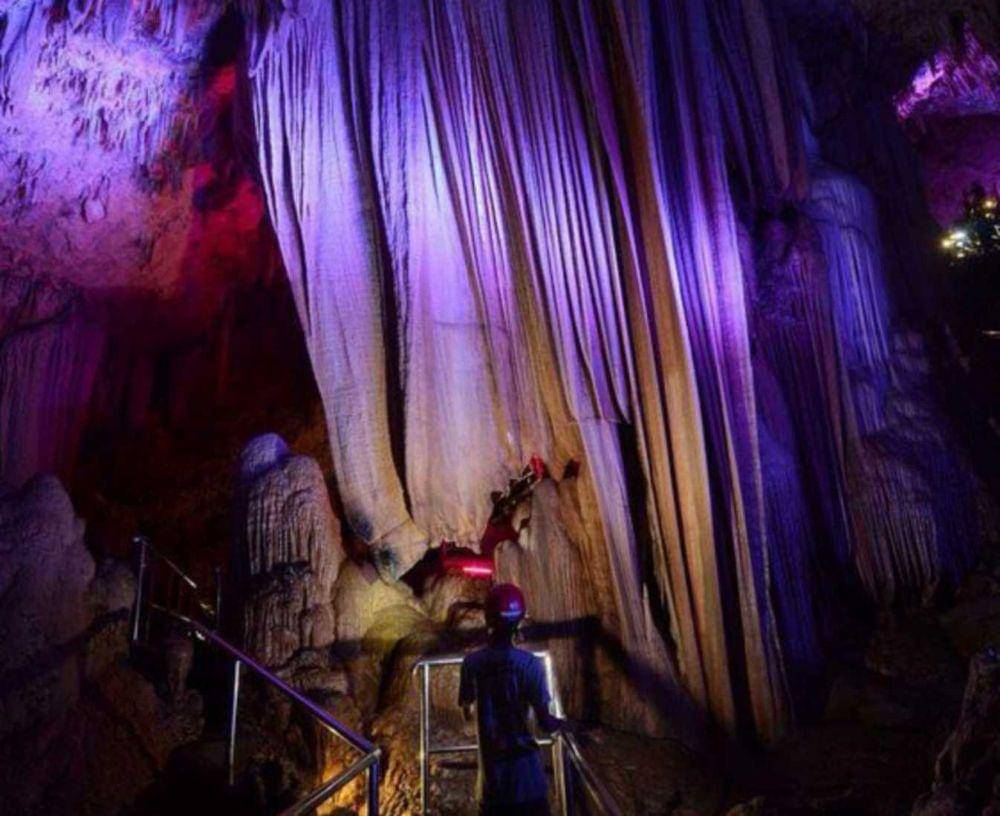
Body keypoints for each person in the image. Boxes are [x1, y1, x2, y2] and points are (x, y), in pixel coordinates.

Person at [458, 583, 564, 816]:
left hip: (493, 785)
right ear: (520, 620)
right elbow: (546, 723)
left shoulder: (472, 664)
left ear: (488, 618)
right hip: (528, 782)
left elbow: (466, 711)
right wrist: (566, 725)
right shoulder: (531, 665)